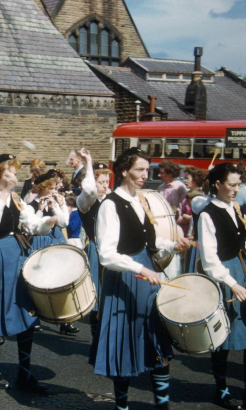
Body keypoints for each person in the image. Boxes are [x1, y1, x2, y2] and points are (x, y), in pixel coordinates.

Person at [91, 148, 189, 410]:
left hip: (146, 275)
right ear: (124, 171)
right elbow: (107, 255)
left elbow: (150, 242)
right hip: (124, 280)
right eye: (140, 170)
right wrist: (141, 269)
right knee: (124, 349)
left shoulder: (140, 200)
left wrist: (172, 244)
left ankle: (162, 406)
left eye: (148, 170)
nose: (146, 175)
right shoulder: (110, 205)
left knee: (158, 344)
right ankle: (121, 407)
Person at [0, 153, 59, 392]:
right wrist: (5, 193)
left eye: (15, 173)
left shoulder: (18, 199)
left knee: (25, 313)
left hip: (17, 254)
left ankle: (25, 373)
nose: (15, 177)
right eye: (11, 172)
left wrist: (49, 220)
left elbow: (32, 226)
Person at [198, 163, 246, 410]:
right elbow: (210, 260)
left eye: (238, 185)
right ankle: (221, 392)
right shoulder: (208, 214)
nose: (236, 189)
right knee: (223, 338)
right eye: (231, 185)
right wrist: (232, 283)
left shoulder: (234, 207)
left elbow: (234, 243)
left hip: (242, 272)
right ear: (218, 184)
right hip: (225, 278)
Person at [75, 149, 111, 338]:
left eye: (107, 181)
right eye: (101, 182)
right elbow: (89, 190)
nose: (105, 186)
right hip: (96, 249)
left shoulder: (112, 198)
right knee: (97, 297)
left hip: (114, 250)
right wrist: (89, 161)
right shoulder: (85, 201)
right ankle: (97, 340)